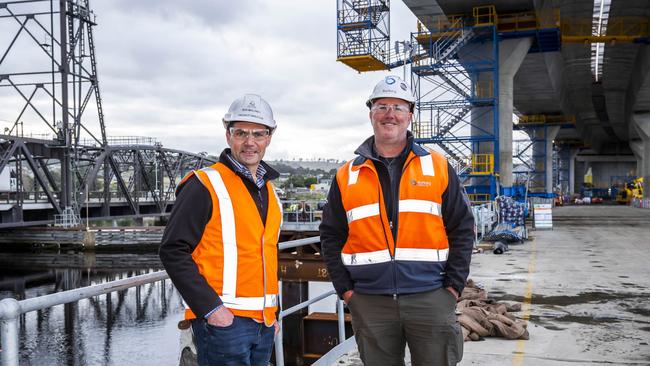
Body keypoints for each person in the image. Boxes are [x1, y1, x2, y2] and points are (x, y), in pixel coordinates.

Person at [320, 75, 475, 366]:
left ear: (410, 116)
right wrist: (346, 290)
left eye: (398, 107)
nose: (389, 114)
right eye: (382, 106)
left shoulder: (438, 167)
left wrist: (453, 287)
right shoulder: (346, 175)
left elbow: (463, 228)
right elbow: (331, 236)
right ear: (371, 114)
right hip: (369, 300)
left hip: (430, 296)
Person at [159, 94, 282, 366]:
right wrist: (213, 311)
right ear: (228, 136)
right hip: (223, 324)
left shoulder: (270, 192)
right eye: (241, 133)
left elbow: (265, 255)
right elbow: (172, 250)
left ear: (269, 138)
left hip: (264, 323)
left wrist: (275, 315)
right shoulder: (203, 184)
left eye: (258, 134)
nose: (250, 142)